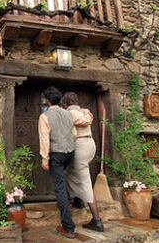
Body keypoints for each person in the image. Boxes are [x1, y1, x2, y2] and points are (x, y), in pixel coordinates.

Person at [63, 92, 104, 232]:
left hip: (80, 146)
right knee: (69, 173)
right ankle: (78, 200)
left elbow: (70, 132)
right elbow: (86, 120)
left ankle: (97, 221)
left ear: (65, 104)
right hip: (90, 144)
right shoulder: (85, 111)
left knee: (85, 183)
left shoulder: (69, 113)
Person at [38, 86, 76, 239]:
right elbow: (73, 133)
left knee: (59, 188)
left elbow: (44, 139)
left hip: (56, 154)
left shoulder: (45, 116)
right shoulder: (68, 114)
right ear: (59, 100)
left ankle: (68, 227)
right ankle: (68, 201)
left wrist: (44, 158)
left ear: (47, 101)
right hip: (70, 153)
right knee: (62, 182)